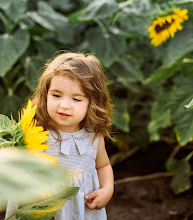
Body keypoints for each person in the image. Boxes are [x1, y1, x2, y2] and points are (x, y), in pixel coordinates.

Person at [31, 52, 114, 220]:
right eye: (56, 95)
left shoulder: (92, 136)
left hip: (80, 209)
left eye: (76, 99)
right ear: (45, 93)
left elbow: (103, 166)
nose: (64, 105)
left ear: (92, 103)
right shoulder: (37, 131)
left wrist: (107, 190)